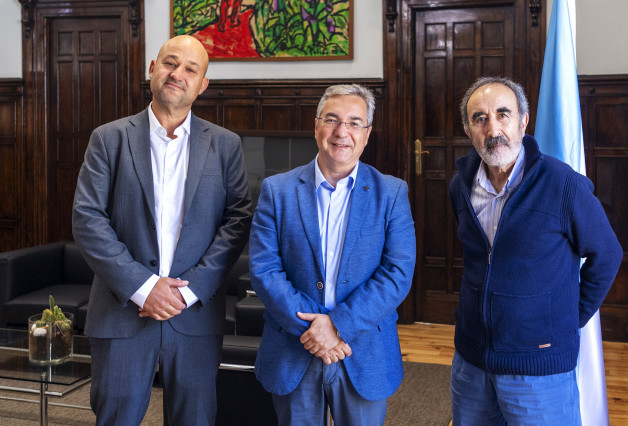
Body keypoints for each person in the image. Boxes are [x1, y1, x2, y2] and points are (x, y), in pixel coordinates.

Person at [72, 35, 252, 425]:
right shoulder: (109, 139)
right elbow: (88, 219)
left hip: (195, 317)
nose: (178, 74)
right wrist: (143, 287)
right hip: (121, 314)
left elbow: (237, 220)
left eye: (191, 69)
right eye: (171, 63)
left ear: (203, 84)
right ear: (153, 69)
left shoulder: (226, 146)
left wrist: (188, 293)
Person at [449, 76, 622, 425]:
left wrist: (566, 319)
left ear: (523, 122)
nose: (493, 127)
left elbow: (607, 254)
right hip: (472, 361)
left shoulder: (563, 184)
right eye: (480, 118)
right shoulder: (460, 185)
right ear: (469, 129)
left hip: (538, 369)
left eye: (503, 114)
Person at [249, 84, 416, 425]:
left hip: (362, 348)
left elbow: (397, 273)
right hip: (295, 347)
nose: (342, 132)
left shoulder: (392, 193)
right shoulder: (277, 191)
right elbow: (265, 269)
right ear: (316, 127)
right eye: (332, 120)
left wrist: (337, 326)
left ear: (367, 135)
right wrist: (316, 331)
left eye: (355, 123)